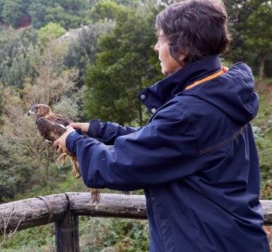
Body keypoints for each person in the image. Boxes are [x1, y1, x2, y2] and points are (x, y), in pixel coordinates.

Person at [53, 0, 270, 251]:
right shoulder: (220, 93)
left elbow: (122, 166)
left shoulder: (189, 113)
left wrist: (73, 142)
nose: (156, 47)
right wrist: (98, 131)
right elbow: (162, 143)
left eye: (161, 39)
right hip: (235, 238)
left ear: (183, 47)